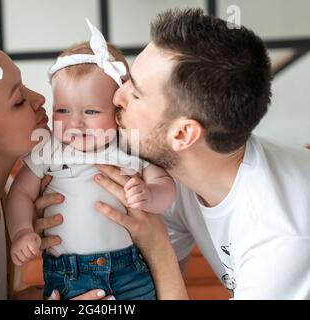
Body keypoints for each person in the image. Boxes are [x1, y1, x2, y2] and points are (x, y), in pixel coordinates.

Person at [93, 8, 310, 299]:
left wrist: (158, 247)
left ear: (182, 134)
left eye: (135, 94)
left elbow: (164, 266)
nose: (117, 97)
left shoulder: (280, 238)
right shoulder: (177, 178)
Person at [5, 20, 176, 300]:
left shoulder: (130, 144)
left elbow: (165, 184)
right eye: (62, 110)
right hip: (69, 274)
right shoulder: (49, 147)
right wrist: (23, 231)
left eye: (91, 112)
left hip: (129, 270)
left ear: (118, 109)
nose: (75, 123)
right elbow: (20, 193)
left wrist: (149, 194)